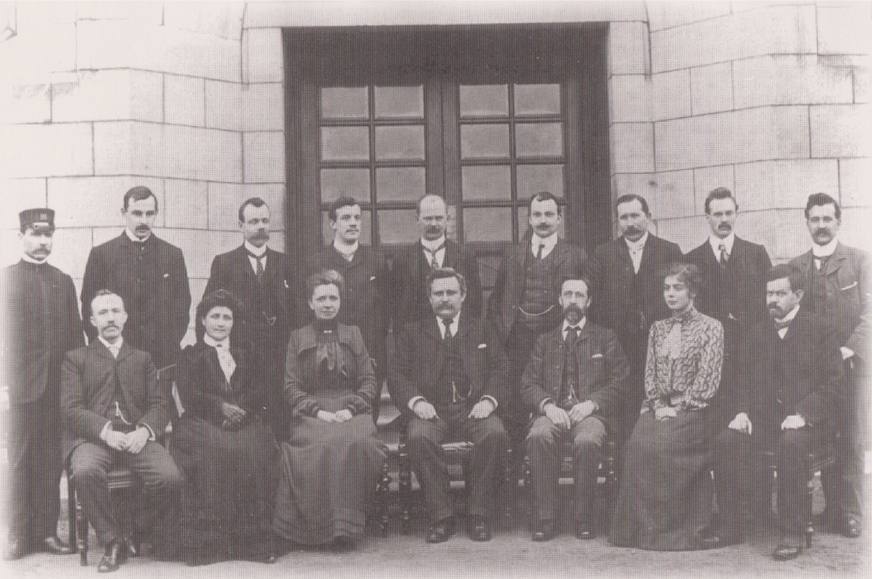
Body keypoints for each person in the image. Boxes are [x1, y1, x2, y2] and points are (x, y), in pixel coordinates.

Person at [715, 265, 844, 560]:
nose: (772, 299)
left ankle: (792, 531)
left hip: (810, 424)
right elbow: (743, 379)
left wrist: (803, 414)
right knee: (726, 441)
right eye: (769, 293)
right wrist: (743, 411)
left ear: (798, 295)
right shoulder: (757, 331)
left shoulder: (820, 329)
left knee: (791, 443)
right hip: (766, 421)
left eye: (780, 293)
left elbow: (834, 384)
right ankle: (730, 524)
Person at [61, 290, 182, 573]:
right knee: (85, 470)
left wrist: (145, 430)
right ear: (92, 320)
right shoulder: (76, 358)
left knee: (170, 478)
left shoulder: (141, 358)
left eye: (116, 311)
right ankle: (112, 539)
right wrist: (105, 432)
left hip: (136, 436)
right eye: (103, 313)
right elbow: (70, 408)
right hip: (95, 439)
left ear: (125, 317)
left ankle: (137, 530)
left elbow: (160, 403)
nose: (110, 318)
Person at [390, 267, 509, 543]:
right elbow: (396, 374)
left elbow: (501, 368)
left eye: (451, 292)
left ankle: (478, 514)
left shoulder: (482, 328)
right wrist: (416, 402)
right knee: (418, 437)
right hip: (431, 410)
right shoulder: (412, 332)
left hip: (473, 408)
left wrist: (489, 401)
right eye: (438, 293)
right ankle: (441, 516)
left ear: (463, 296)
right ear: (429, 298)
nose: (445, 299)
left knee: (495, 434)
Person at [610, 263, 724, 551]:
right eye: (666, 288)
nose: (670, 294)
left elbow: (708, 379)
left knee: (661, 447)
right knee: (636, 446)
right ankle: (639, 532)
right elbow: (650, 374)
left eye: (678, 288)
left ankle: (672, 533)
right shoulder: (657, 329)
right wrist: (658, 405)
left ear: (693, 291)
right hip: (658, 408)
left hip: (695, 410)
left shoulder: (712, 327)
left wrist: (681, 406)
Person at [273, 270, 385, 549]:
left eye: (333, 298)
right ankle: (317, 529)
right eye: (320, 298)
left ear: (340, 301)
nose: (327, 303)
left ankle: (346, 527)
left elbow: (369, 381)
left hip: (352, 409)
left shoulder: (354, 334)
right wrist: (317, 411)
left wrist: (352, 408)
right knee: (321, 444)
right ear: (310, 303)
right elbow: (291, 386)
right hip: (312, 413)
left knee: (355, 441)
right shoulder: (297, 337)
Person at [684, 187, 771, 540]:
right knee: (720, 437)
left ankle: (761, 510)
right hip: (711, 364)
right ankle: (722, 512)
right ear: (706, 216)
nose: (723, 220)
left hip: (750, 359)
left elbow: (768, 306)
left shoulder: (755, 254)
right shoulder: (694, 259)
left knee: (749, 430)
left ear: (737, 213)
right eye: (716, 214)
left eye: (728, 213)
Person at [171, 289, 278, 566]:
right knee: (217, 451)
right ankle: (209, 544)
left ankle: (251, 541)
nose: (221, 323)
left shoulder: (247, 353)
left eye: (227, 317)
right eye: (215, 317)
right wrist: (220, 408)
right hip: (202, 421)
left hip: (244, 419)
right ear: (203, 321)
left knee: (255, 448)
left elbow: (260, 388)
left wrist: (242, 411)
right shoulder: (190, 355)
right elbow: (190, 394)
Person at [521, 276, 631, 541]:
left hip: (591, 413)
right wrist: (547, 405)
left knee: (588, 440)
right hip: (553, 411)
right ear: (559, 300)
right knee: (538, 436)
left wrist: (592, 403)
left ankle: (584, 517)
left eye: (579, 295)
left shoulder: (605, 338)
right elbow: (528, 383)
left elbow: (621, 381)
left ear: (589, 301)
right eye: (568, 294)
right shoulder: (544, 341)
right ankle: (546, 518)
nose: (573, 300)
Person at [1, 209, 82, 560]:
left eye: (48, 235)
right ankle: (18, 535)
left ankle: (47, 532)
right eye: (35, 234)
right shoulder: (6, 279)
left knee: (51, 462)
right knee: (18, 461)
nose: (42, 241)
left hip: (56, 391)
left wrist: (75, 387)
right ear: (21, 236)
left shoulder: (62, 281)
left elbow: (76, 337)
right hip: (19, 390)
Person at [789, 193, 870, 538]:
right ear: (806, 222)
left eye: (827, 219)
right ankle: (820, 510)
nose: (821, 226)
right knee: (819, 433)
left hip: (850, 368)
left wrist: (848, 350)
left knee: (849, 437)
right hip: (812, 374)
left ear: (839, 221)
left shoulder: (859, 261)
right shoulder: (797, 266)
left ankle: (849, 512)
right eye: (815, 219)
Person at [487, 191, 586, 443]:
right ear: (529, 219)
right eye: (537, 215)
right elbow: (497, 299)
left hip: (556, 338)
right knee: (516, 402)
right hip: (517, 338)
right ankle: (516, 466)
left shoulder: (576, 255)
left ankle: (546, 456)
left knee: (550, 395)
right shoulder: (512, 254)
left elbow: (585, 301)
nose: (543, 220)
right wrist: (501, 333)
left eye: (549, 214)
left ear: (559, 219)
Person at [585, 194, 681, 444]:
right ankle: (624, 475)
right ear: (618, 221)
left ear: (648, 217)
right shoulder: (603, 254)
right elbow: (592, 304)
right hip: (619, 348)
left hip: (660, 346)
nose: (630, 222)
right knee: (622, 412)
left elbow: (682, 296)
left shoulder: (669, 251)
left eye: (635, 215)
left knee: (659, 410)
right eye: (624, 217)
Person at [203, 197, 296, 438]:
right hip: (241, 357)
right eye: (254, 221)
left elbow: (297, 311)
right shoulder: (225, 263)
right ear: (240, 225)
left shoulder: (285, 263)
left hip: (279, 357)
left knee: (279, 422)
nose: (261, 226)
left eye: (265, 220)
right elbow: (207, 311)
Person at [81, 186, 191, 371]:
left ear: (156, 214)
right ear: (124, 213)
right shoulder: (102, 254)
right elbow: (88, 308)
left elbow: (182, 307)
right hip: (116, 359)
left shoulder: (172, 255)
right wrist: (107, 349)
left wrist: (166, 344)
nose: (143, 221)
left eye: (149, 214)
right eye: (137, 213)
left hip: (161, 359)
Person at [303, 197, 390, 417]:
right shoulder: (317, 262)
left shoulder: (376, 261)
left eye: (357, 218)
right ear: (332, 224)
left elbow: (386, 310)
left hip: (369, 353)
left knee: (367, 417)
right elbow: (308, 311)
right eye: (346, 218)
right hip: (329, 353)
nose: (353, 223)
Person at [392, 194, 482, 325]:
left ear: (447, 218)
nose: (434, 224)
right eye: (428, 219)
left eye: (438, 218)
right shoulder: (402, 259)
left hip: (456, 338)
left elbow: (474, 304)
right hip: (415, 338)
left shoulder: (465, 256)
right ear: (417, 219)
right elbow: (397, 308)